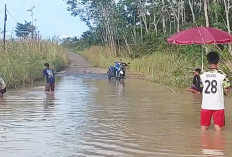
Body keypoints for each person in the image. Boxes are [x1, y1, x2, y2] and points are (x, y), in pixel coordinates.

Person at [200, 51, 230, 131]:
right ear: (218, 60)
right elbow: (227, 90)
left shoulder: (202, 74)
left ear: (207, 61)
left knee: (204, 128)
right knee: (218, 128)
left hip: (206, 104)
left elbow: (201, 87)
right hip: (218, 105)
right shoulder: (222, 74)